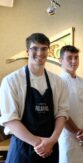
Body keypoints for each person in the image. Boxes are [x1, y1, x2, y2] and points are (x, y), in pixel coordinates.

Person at [0, 33, 69, 163]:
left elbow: (62, 113)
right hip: (22, 148)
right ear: (27, 51)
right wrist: (39, 143)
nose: (40, 52)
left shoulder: (58, 82)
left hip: (50, 148)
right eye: (35, 48)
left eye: (44, 48)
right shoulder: (11, 81)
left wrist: (52, 141)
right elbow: (9, 119)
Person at [58, 45, 83, 163]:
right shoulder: (58, 82)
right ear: (61, 60)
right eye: (69, 58)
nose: (73, 61)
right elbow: (61, 112)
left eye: (76, 57)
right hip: (67, 136)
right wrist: (79, 134)